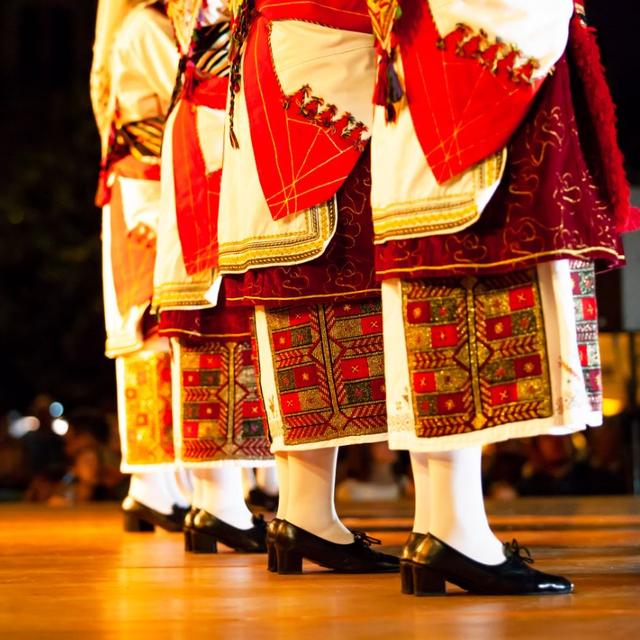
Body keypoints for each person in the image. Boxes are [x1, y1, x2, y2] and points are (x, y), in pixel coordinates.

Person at [367, 0, 637, 595]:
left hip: (413, 86)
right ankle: (457, 534)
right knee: (463, 285)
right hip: (452, 89)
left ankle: (440, 529)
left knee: (429, 300)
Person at [216, 0, 398, 573]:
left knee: (296, 299)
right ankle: (307, 516)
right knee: (315, 292)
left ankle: (304, 514)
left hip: (288, 70)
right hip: (316, 75)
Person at [151, 0, 275, 553]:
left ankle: (215, 501)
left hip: (207, 119)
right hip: (216, 121)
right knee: (220, 311)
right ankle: (218, 502)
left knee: (210, 310)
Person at [90, 0, 189, 532]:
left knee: (152, 333)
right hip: (149, 188)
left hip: (142, 184)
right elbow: (190, 95)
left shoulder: (132, 29)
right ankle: (153, 482)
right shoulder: (145, 28)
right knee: (151, 330)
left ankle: (157, 483)